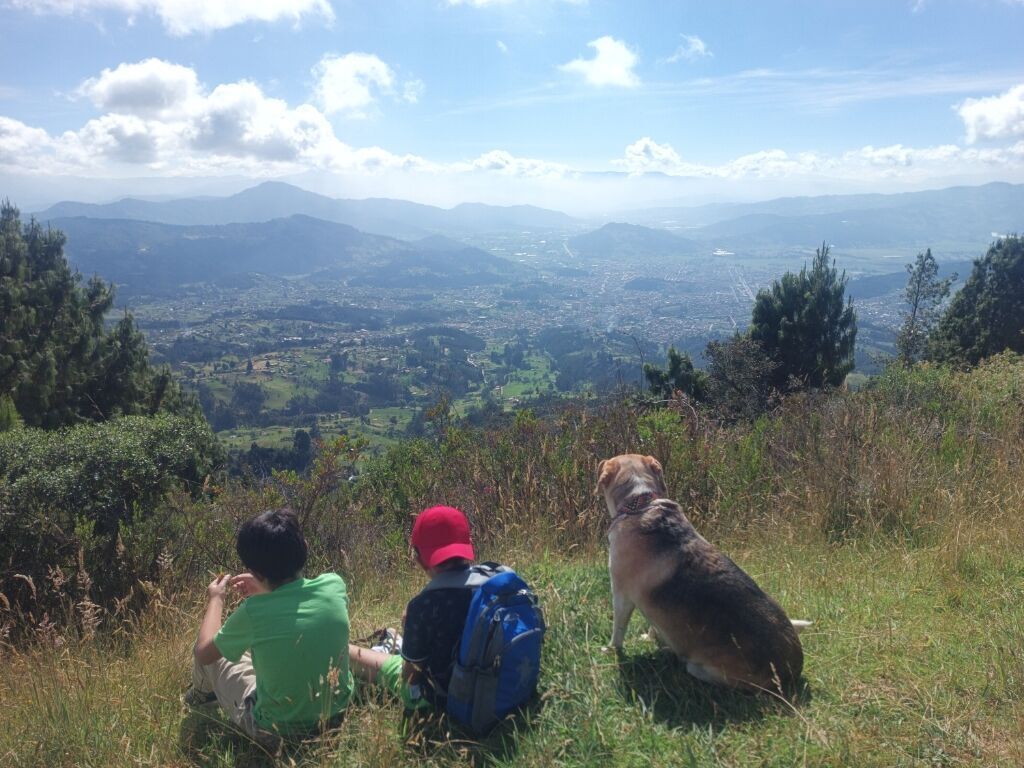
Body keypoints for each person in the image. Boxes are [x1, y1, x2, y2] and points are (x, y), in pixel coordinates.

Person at [185, 509, 353, 745]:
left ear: (255, 571)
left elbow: (203, 653)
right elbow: (294, 615)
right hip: (337, 717)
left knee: (213, 651)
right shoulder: (334, 585)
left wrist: (216, 598)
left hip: (275, 731)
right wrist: (265, 587)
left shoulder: (253, 612)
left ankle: (199, 698)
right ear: (304, 547)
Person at [348, 505, 477, 714]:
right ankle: (394, 642)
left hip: (439, 699)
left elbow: (410, 678)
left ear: (420, 560)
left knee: (350, 653)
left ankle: (387, 648)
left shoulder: (422, 606)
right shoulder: (491, 586)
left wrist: (411, 632)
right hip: (489, 687)